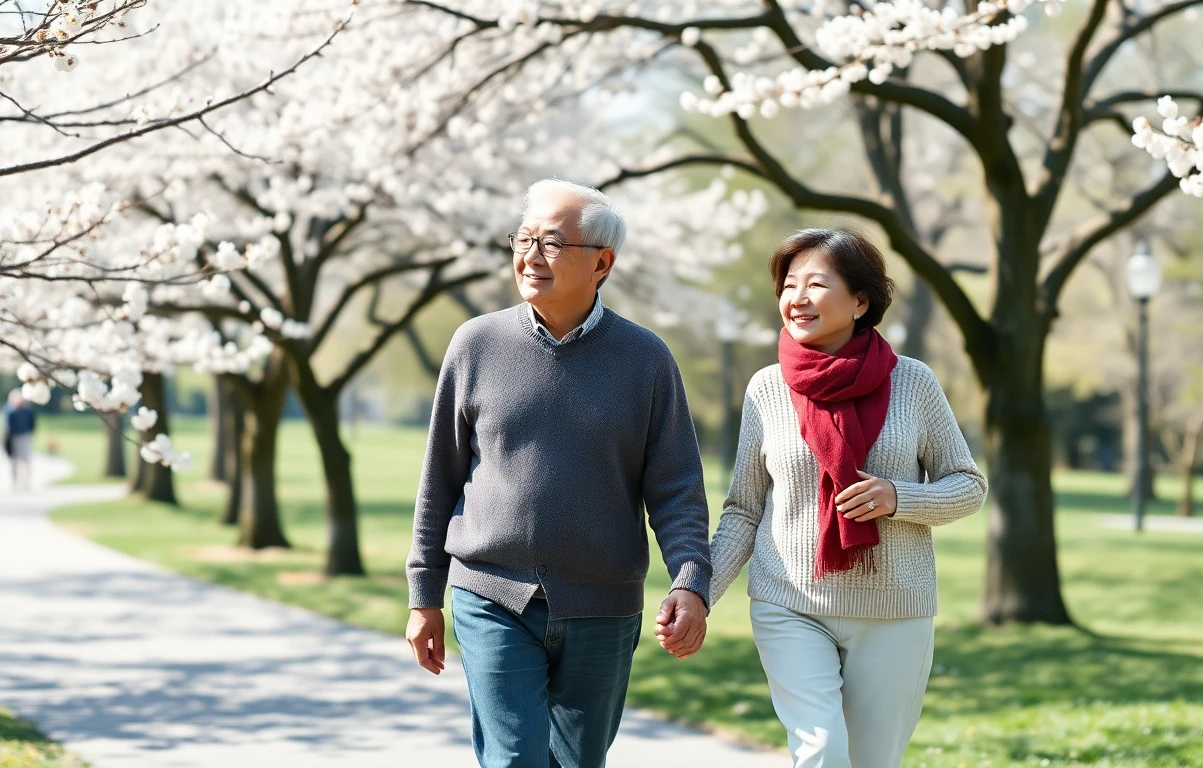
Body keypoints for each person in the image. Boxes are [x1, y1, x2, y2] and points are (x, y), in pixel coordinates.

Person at [404, 179, 711, 768]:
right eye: (523, 239)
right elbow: (438, 481)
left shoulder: (646, 360)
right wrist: (425, 596)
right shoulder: (475, 345)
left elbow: (677, 491)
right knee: (514, 758)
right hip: (490, 590)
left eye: (550, 242)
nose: (530, 255)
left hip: (604, 603)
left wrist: (689, 582)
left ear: (602, 262)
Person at [698, 228, 987, 767]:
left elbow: (968, 485)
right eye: (788, 285)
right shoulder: (767, 389)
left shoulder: (913, 383)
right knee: (823, 753)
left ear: (860, 300)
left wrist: (897, 497)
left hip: (894, 606)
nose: (797, 298)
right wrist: (699, 594)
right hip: (789, 600)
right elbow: (743, 508)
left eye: (816, 284)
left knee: (873, 761)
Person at [5, 389, 37, 492]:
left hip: (25, 436)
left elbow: (32, 422)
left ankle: (26, 483)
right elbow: (8, 426)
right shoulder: (10, 410)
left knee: (26, 460)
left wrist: (31, 433)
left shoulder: (27, 410)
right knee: (14, 461)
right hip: (14, 438)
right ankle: (15, 483)